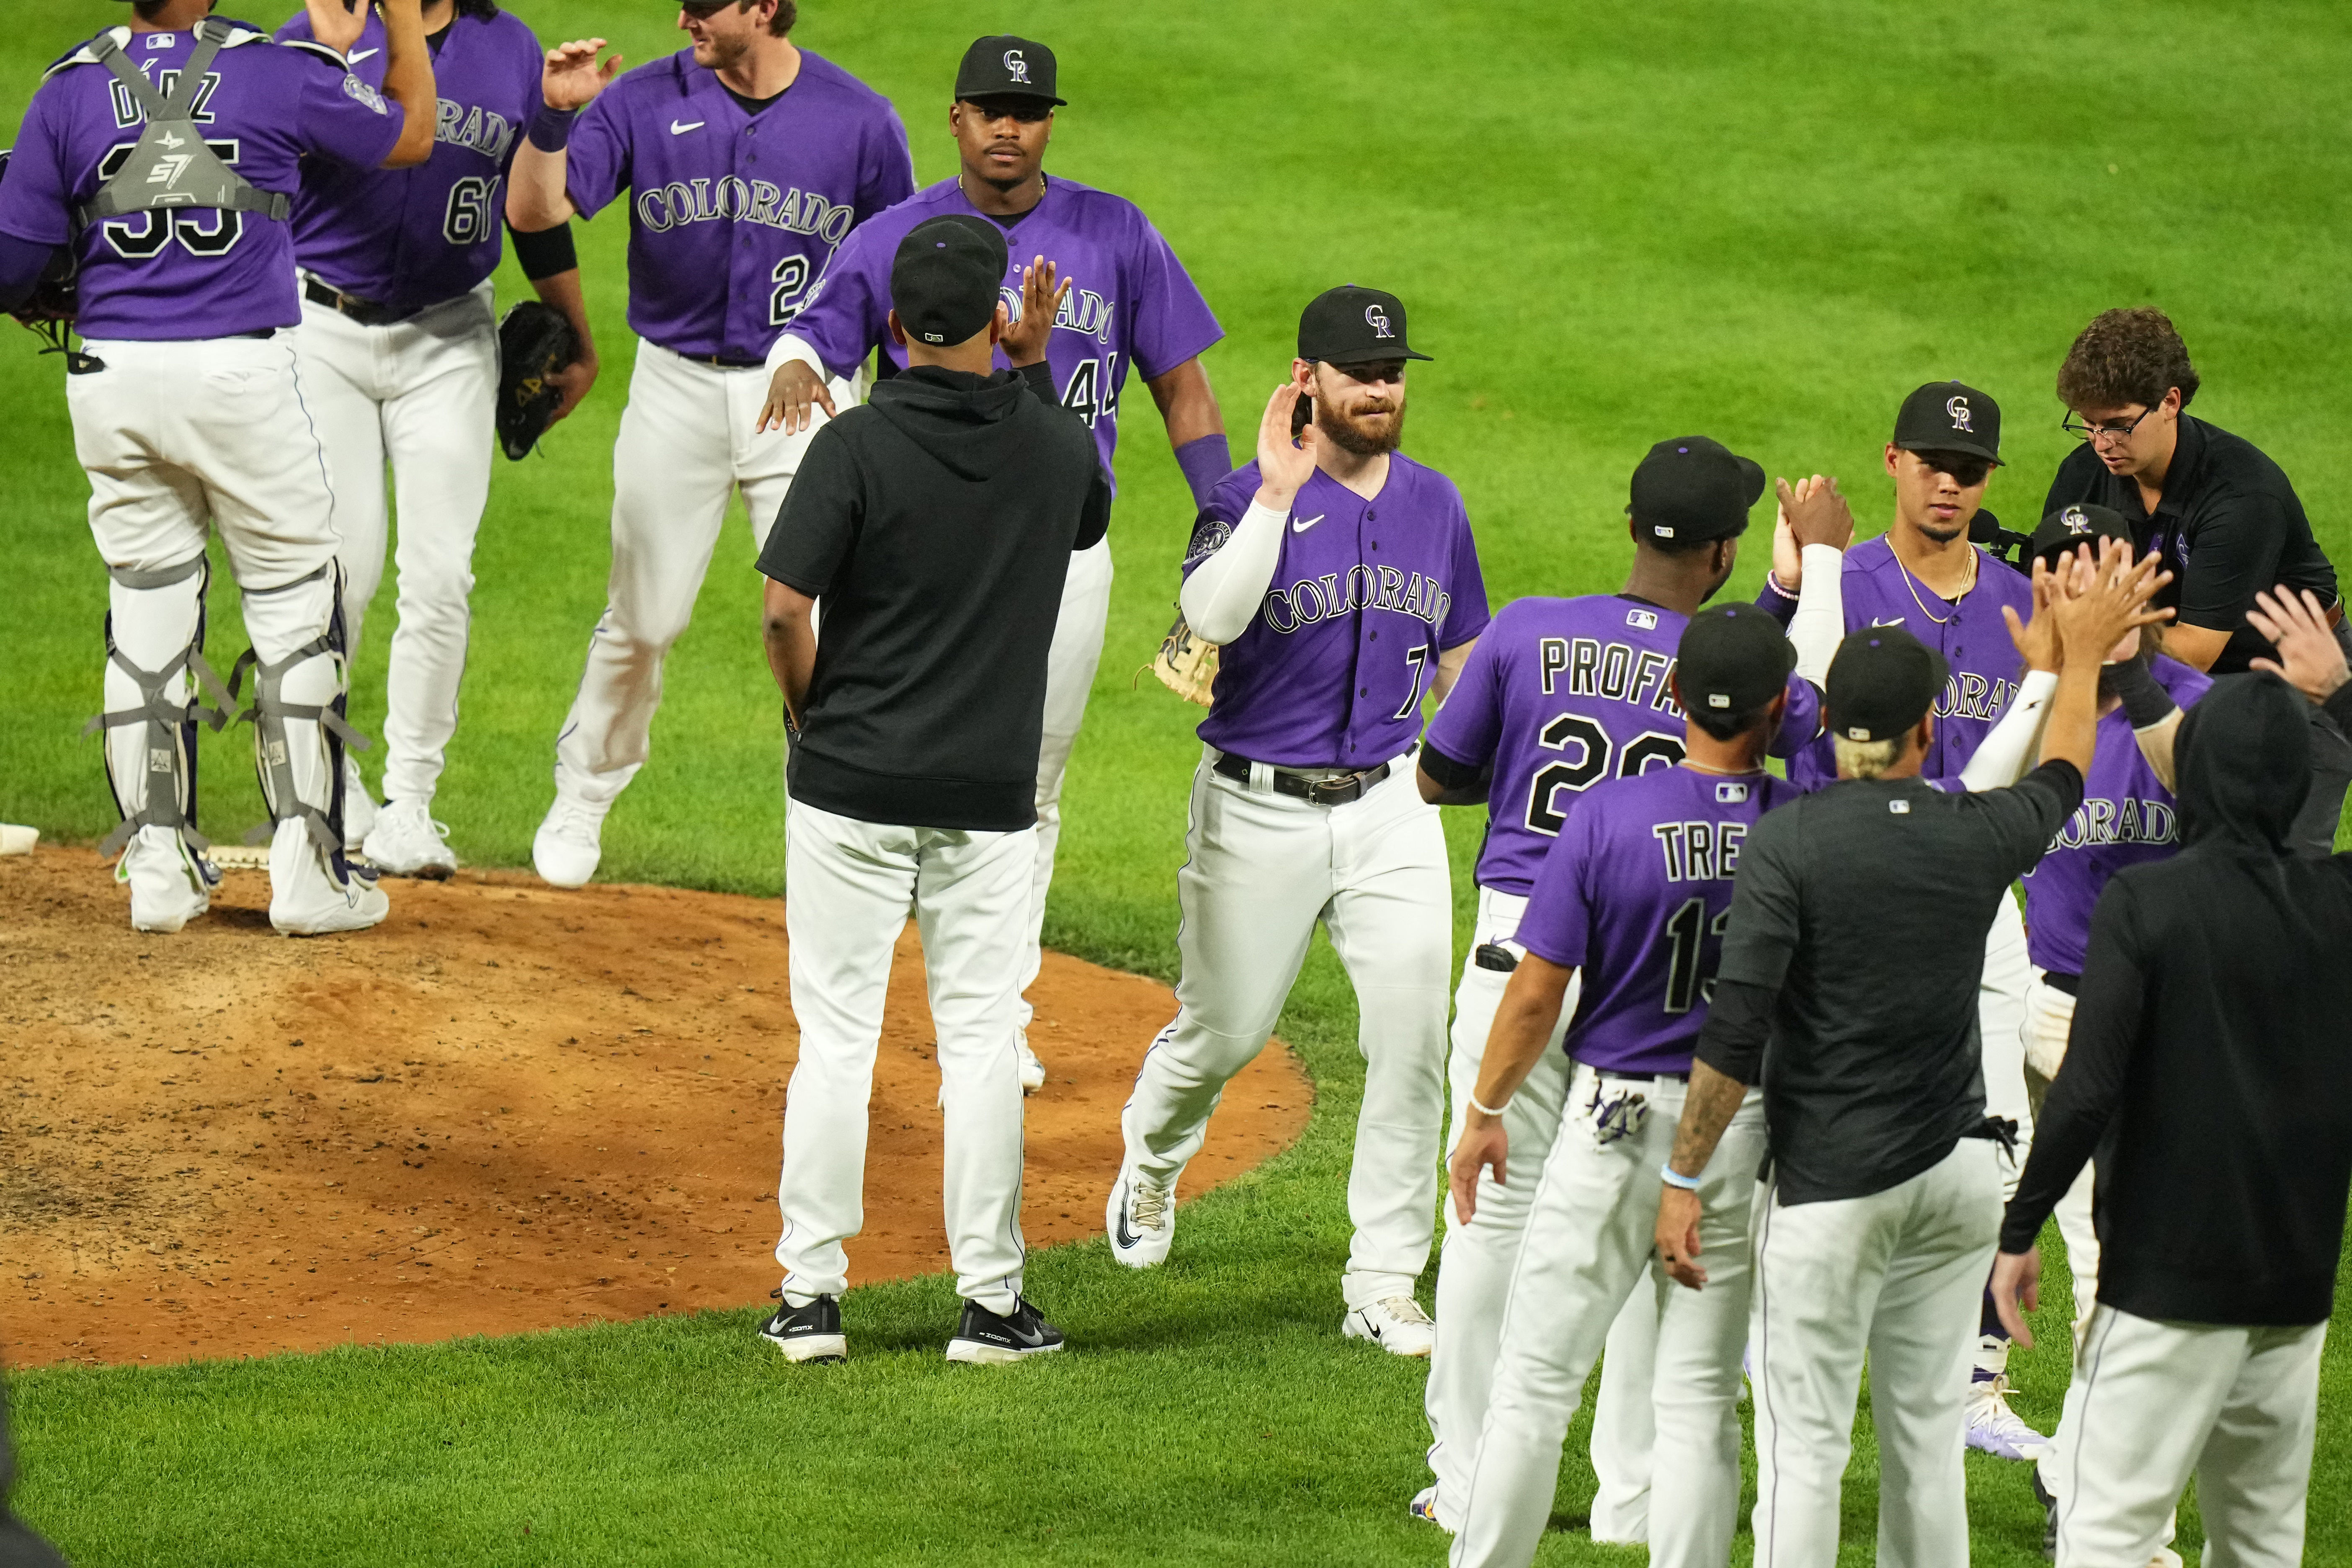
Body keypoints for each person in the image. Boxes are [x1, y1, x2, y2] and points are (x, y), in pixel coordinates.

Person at [1653, 538, 2168, 1568]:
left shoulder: (1788, 843)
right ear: (1930, 729)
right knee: (1927, 1444)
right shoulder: (1976, 832)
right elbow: (2065, 770)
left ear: (1825, 722)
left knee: (1806, 1451)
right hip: (1956, 1181)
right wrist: (2077, 657)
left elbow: (1737, 1031)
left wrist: (1682, 1175)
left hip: (1833, 1186)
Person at [758, 36, 1228, 1091]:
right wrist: (792, 364)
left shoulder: (1117, 234)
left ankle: (995, 1010)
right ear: (957, 118)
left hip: (1062, 554)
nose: (1009, 127)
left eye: (1029, 109)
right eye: (989, 108)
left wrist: (1222, 517)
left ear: (1050, 122)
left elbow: (1183, 390)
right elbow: (813, 331)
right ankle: (862, 1007)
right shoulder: (897, 235)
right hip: (917, 553)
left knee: (1032, 782)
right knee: (883, 779)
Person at [1407, 437, 1828, 1533]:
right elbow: (1777, 717)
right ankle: (1633, 1498)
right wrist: (1797, 587)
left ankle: (1461, 1481)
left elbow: (1436, 776)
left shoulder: (1530, 628)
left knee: (1490, 1222)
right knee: (1653, 1223)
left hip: (1522, 952)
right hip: (1664, 957)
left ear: (1633, 526)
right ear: (1728, 550)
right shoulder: (1721, 669)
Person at [0, 0, 437, 936]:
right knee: (291, 606)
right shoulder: (276, 70)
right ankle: (309, 876)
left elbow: (16, 263)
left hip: (110, 378)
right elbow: (411, 135)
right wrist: (399, 20)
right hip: (239, 377)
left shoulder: (68, 85)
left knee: (147, 606)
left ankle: (159, 874)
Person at [752, 217, 1108, 1366]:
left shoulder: (853, 448)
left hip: (850, 782)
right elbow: (1092, 513)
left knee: (837, 1038)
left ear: (896, 328)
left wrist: (810, 711)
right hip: (990, 798)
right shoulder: (1055, 450)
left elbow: (780, 611)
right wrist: (1038, 366)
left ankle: (811, 1300)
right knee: (983, 1040)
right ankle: (992, 1305)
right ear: (999, 318)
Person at [1104, 286, 1483, 1356]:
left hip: (1391, 808)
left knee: (1413, 1044)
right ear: (1305, 379)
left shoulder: (1436, 504)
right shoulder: (1238, 496)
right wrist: (1277, 494)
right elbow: (1211, 622)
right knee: (1224, 1032)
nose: (1380, 390)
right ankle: (1154, 1157)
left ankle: (1382, 1280)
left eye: (1393, 373)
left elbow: (1459, 659)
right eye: (1360, 373)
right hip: (1254, 810)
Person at [507, 0, 915, 888]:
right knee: (644, 617)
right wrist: (553, 117)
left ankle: (833, 820)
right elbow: (536, 209)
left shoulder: (862, 122)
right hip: (677, 386)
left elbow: (900, 278)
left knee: (829, 619)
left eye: (706, 3)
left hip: (806, 393)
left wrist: (900, 414)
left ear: (766, 8)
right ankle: (584, 791)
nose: (683, 14)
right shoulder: (641, 100)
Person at [1990, 585, 2352, 1568]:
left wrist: (2020, 1230)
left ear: (2190, 775)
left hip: (2164, 1285)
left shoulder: (2151, 903)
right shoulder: (2338, 903)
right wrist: (2337, 700)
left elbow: (2090, 1089)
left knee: (2107, 1534)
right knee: (2264, 1544)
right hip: (2294, 1290)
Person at [1762, 382, 2050, 1456]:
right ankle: (1781, 1339)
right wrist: (1794, 582)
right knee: (1820, 1111)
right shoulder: (1846, 579)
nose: (1948, 482)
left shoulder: (2020, 598)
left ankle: (1976, 1382)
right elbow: (1779, 703)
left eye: (1969, 469)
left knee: (2000, 1133)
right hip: (1848, 884)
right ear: (1891, 461)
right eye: (1930, 461)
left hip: (1979, 896)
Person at [277, 0, 598, 878]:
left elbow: (532, 210)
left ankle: (411, 804)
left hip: (451, 336)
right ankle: (329, 783)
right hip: (321, 329)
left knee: (442, 575)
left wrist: (577, 329)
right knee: (340, 571)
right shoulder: (321, 33)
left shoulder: (513, 47)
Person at [2003, 504, 2210, 1553]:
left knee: (2113, 1254)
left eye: (2108, 572)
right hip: (2047, 1006)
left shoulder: (2202, 707)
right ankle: (2107, 1504)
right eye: (2066, 576)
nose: (2086, 592)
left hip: (2164, 1024)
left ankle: (2074, 1471)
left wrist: (2126, 670)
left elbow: (2211, 799)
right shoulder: (2035, 707)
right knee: (2110, 1259)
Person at [2042, 306, 2348, 855]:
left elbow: (2197, 651)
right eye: (2087, 424)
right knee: (2154, 863)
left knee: (2274, 880)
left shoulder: (2241, 496)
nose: (2100, 442)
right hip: (2156, 675)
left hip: (2294, 687)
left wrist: (2094, 639)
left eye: (2117, 423)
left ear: (2171, 402)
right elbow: (2048, 606)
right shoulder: (2084, 475)